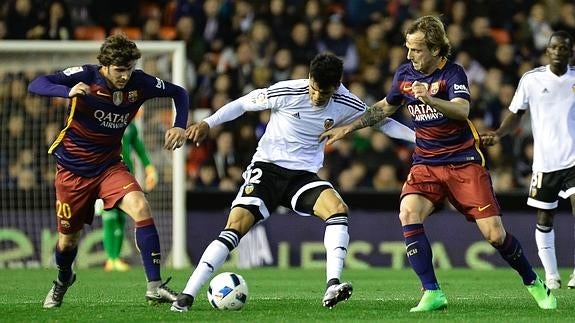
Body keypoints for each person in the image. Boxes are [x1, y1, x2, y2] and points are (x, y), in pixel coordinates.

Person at [319, 15, 557, 311]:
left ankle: (533, 282)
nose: (409, 55)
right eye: (408, 48)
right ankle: (432, 292)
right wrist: (348, 128)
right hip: (426, 163)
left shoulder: (453, 74)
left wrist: (430, 100)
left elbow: (462, 109)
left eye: (416, 50)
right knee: (408, 212)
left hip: (462, 162)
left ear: (434, 49)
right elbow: (384, 107)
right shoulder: (404, 74)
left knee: (495, 235)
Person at [169, 53, 415, 312]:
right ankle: (186, 296)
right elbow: (242, 104)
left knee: (338, 209)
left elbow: (383, 123)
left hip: (302, 177)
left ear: (337, 86)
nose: (317, 96)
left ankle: (333, 283)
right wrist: (209, 122)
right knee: (235, 227)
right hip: (267, 169)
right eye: (314, 88)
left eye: (325, 92)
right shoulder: (287, 91)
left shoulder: (345, 101)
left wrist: (421, 139)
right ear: (309, 78)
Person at [27, 34, 188, 308]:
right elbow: (37, 83)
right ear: (104, 66)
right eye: (118, 70)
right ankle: (63, 278)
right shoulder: (86, 76)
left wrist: (180, 124)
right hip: (73, 170)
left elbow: (179, 93)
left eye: (128, 70)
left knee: (141, 206)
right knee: (67, 242)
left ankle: (154, 286)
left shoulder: (141, 83)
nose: (124, 76)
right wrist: (66, 91)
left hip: (109, 166)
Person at [481, 31, 575, 290]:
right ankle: (552, 275)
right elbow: (516, 114)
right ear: (547, 51)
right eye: (554, 47)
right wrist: (499, 134)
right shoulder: (531, 80)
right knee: (544, 219)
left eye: (563, 48)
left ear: (571, 52)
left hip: (573, 159)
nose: (558, 51)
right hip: (545, 163)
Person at [98, 120, 159, 272]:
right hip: (104, 175)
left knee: (120, 218)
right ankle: (111, 258)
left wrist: (149, 168)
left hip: (125, 175)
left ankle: (115, 258)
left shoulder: (130, 126)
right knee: (109, 217)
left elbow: (139, 148)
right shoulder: (103, 122)